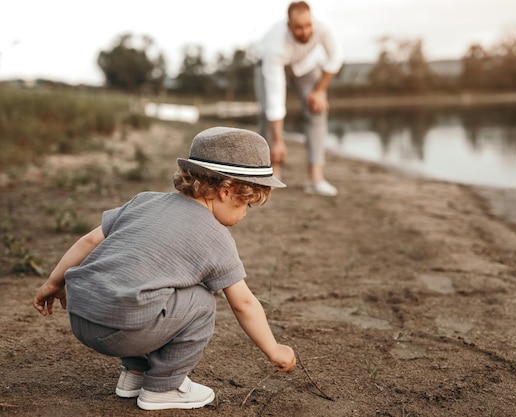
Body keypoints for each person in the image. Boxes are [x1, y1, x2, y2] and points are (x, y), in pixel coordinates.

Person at [32, 127, 296, 411]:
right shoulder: (216, 237)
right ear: (225, 191)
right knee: (201, 301)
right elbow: (244, 303)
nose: (243, 215)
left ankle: (135, 374)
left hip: (81, 316)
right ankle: (164, 388)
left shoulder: (145, 201)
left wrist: (53, 283)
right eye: (246, 205)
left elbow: (89, 240)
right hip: (124, 327)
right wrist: (274, 349)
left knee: (150, 287)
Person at [255, 1, 344, 196]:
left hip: (305, 65)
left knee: (317, 110)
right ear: (289, 26)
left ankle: (315, 179)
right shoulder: (274, 45)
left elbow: (336, 58)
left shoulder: (322, 27)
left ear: (312, 21)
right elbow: (275, 101)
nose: (304, 31)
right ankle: (270, 175)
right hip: (270, 65)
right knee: (267, 114)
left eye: (307, 25)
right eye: (298, 28)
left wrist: (319, 91)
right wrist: (279, 140)